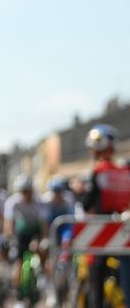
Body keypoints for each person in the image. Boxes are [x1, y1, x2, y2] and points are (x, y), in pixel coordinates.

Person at [77, 123, 130, 301]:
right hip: (124, 232)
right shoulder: (125, 172)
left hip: (102, 234)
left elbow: (86, 204)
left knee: (96, 275)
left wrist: (79, 191)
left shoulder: (100, 171)